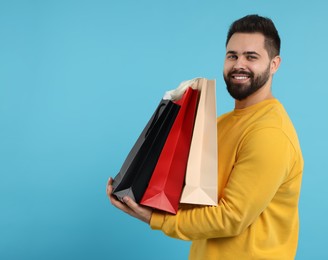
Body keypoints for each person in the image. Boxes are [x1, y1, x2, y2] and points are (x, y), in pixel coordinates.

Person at [106, 14, 304, 260]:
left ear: (274, 64)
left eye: (251, 57)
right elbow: (196, 199)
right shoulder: (220, 124)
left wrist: (154, 219)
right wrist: (137, 192)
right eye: (232, 55)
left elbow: (231, 218)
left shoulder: (270, 133)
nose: (239, 64)